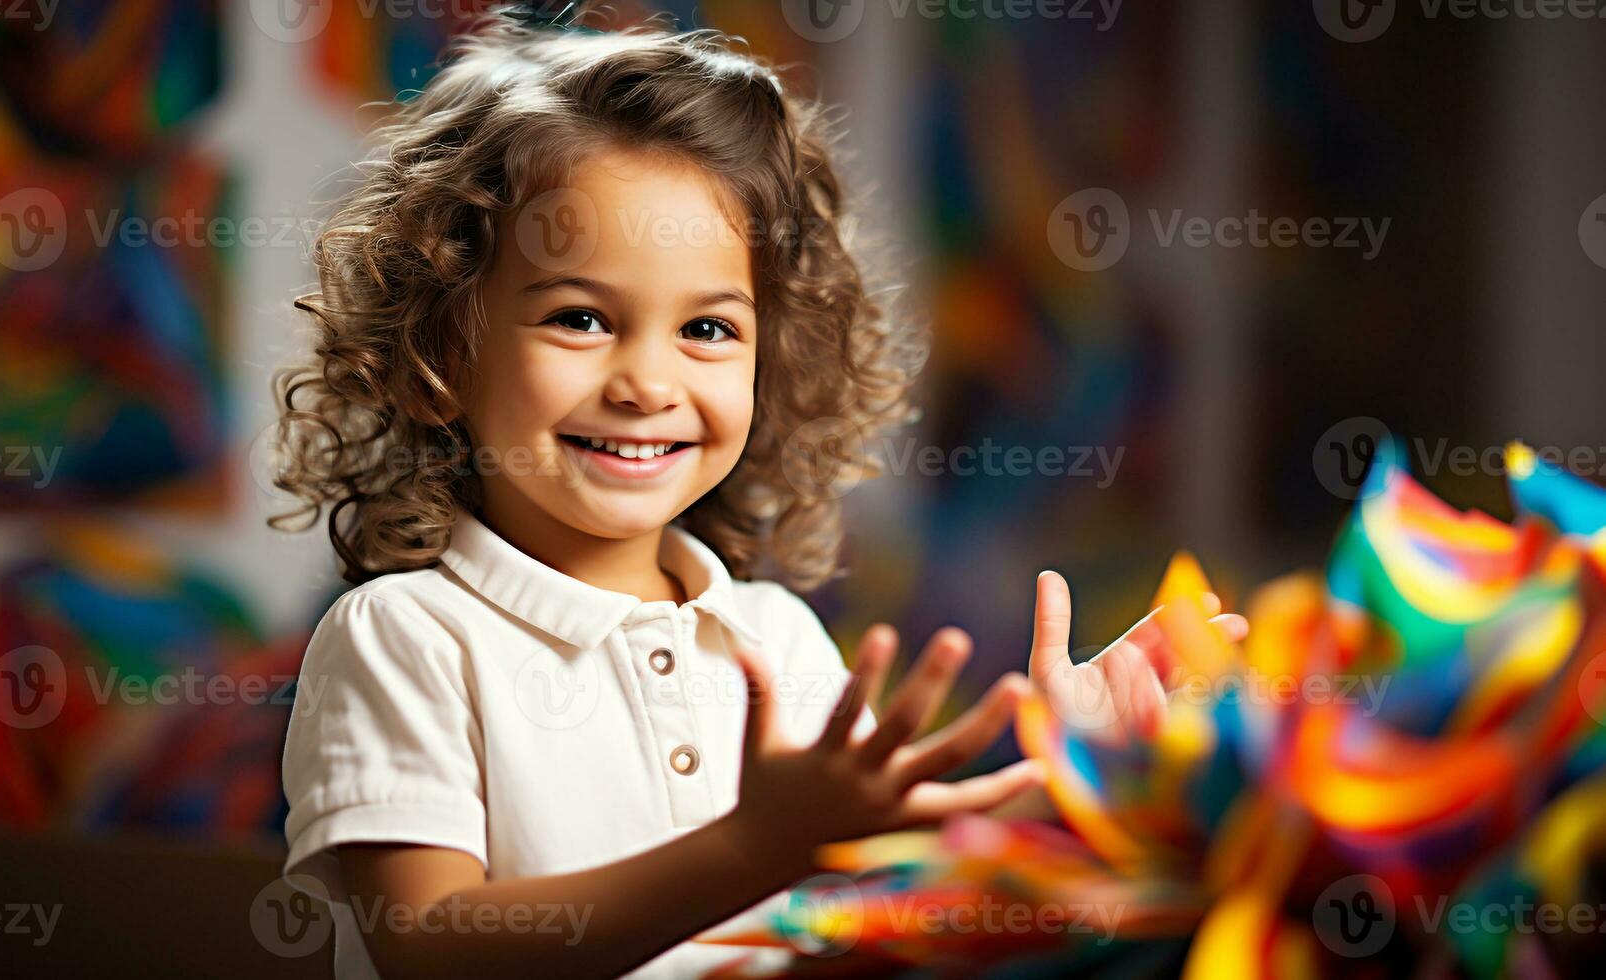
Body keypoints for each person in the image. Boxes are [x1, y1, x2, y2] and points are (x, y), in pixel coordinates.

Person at [269, 9, 1246, 978]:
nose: (647, 383)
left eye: (706, 330)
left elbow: (885, 887)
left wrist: (1062, 783)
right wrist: (750, 848)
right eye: (579, 317)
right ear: (437, 353)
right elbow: (428, 943)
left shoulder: (772, 637)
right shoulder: (404, 635)